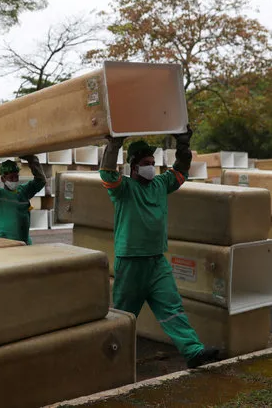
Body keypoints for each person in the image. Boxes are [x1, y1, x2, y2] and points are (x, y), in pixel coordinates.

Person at [99, 126, 220, 369]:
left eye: (153, 162)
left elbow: (181, 171)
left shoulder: (161, 184)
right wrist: (114, 145)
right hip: (131, 262)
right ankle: (108, 363)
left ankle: (193, 351)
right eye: (146, 162)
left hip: (156, 262)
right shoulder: (124, 189)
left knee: (172, 307)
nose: (151, 166)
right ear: (134, 167)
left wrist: (183, 147)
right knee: (123, 316)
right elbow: (106, 173)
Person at [0, 149, 46, 245]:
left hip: (23, 242)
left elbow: (41, 181)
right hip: (1, 243)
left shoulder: (23, 192)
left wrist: (32, 161)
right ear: (3, 179)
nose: (15, 180)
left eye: (16, 177)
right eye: (11, 177)